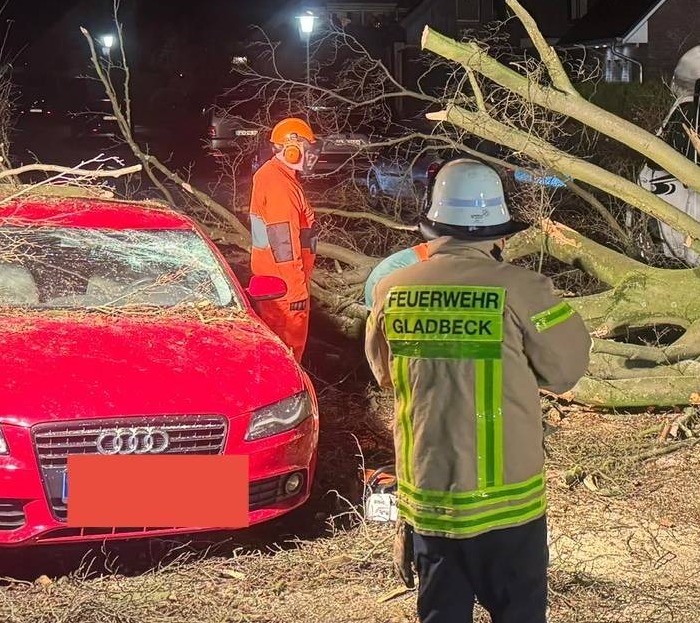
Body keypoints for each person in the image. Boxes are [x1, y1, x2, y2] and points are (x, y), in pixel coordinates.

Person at [366, 159, 590, 623]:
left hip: (431, 500)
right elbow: (566, 370)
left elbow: (384, 372)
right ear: (499, 233)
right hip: (507, 503)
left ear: (430, 224)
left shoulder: (392, 289)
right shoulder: (523, 289)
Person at [249, 117, 319, 359]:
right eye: (307, 149)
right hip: (284, 287)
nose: (312, 156)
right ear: (291, 148)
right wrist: (297, 291)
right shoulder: (280, 184)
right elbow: (284, 243)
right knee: (288, 354)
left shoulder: (278, 176)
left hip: (275, 281)